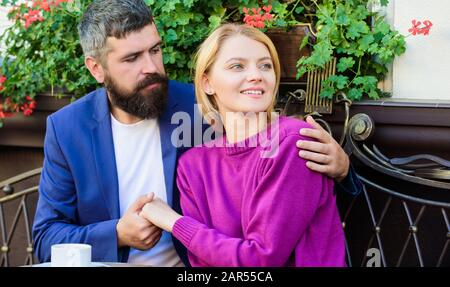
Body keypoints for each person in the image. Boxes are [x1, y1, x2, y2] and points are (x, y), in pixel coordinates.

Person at [32, 0, 358, 266]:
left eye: (155, 50)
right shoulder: (69, 129)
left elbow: (290, 185)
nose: (151, 67)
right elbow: (46, 237)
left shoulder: (205, 106)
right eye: (132, 58)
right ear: (96, 68)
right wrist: (117, 233)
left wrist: (343, 171)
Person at [139, 23, 346, 266]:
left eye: (265, 66)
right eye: (237, 66)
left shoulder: (292, 143)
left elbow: (260, 260)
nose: (256, 75)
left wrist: (175, 223)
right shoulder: (193, 166)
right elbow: (203, 263)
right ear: (207, 83)